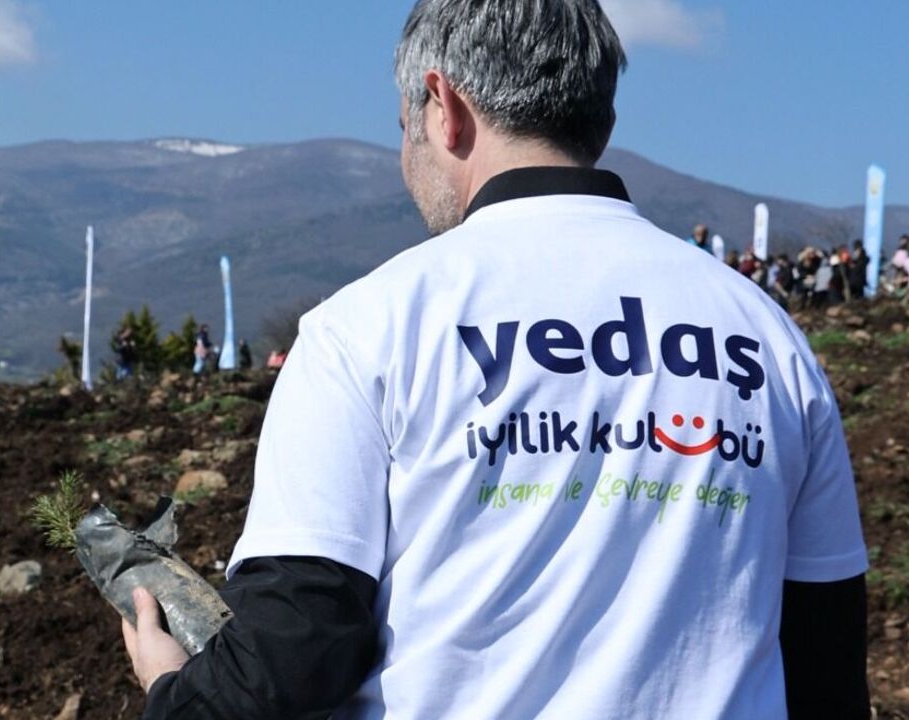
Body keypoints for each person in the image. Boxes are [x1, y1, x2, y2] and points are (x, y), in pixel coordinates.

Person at [121, 2, 869, 718]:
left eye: (404, 127)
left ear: (443, 107)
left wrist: (175, 692)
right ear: (600, 116)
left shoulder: (367, 328)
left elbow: (295, 652)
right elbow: (827, 669)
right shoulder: (769, 339)